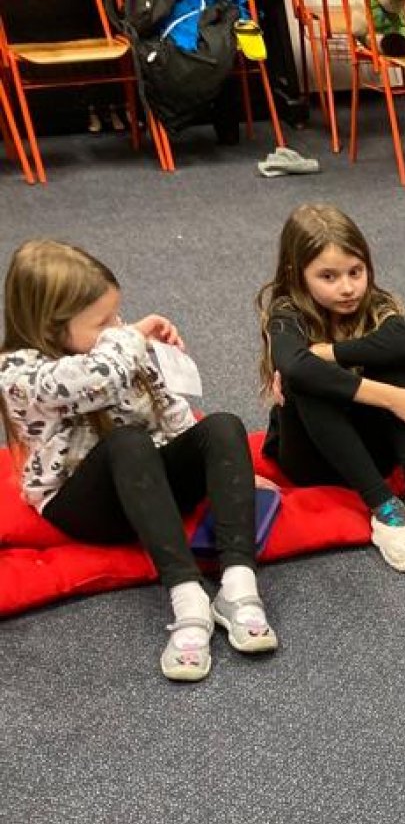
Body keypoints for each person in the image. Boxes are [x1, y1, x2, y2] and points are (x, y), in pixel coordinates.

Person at [1, 239, 275, 682]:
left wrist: (228, 475)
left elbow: (168, 407)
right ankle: (188, 600)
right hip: (88, 506)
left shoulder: (117, 344)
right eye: (102, 322)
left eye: (116, 316)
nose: (117, 327)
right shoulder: (18, 374)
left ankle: (238, 585)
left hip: (149, 484)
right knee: (127, 442)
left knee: (223, 425)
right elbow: (95, 379)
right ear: (51, 328)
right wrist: (132, 339)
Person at [257, 203, 405, 574]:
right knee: (307, 380)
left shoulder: (374, 303)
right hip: (312, 459)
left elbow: (404, 343)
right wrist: (394, 398)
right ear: (296, 274)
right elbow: (296, 366)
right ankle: (384, 509)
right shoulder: (286, 313)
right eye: (328, 277)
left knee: (389, 357)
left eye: (355, 272)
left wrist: (331, 352)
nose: (347, 288)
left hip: (374, 450)